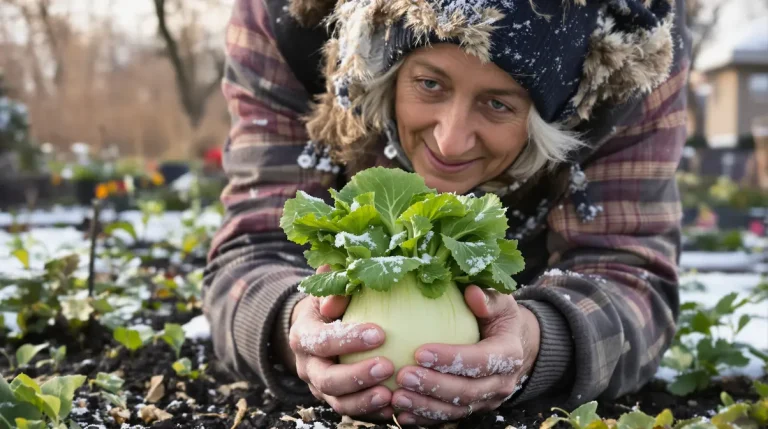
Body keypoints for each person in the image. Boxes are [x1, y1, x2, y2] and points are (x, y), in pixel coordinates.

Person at [203, 0, 691, 425]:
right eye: (430, 84)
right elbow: (250, 250)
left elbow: (632, 276)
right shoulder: (284, 17)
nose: (449, 141)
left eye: (498, 103)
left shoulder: (637, 50)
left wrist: (538, 344)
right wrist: (295, 330)